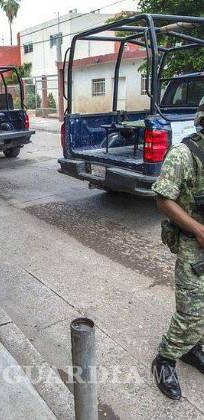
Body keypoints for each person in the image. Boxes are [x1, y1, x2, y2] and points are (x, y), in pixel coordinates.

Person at [151, 97, 204, 400]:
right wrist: (197, 229)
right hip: (192, 245)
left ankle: (192, 348)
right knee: (191, 311)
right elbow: (163, 198)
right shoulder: (183, 154)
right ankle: (164, 359)